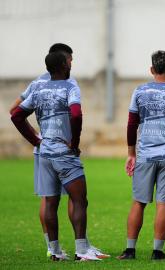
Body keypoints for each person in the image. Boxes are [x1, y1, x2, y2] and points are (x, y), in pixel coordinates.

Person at [8, 43, 108, 259]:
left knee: (50, 202)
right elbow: (76, 114)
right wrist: (75, 143)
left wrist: (36, 140)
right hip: (64, 152)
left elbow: (16, 114)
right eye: (70, 60)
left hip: (44, 153)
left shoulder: (38, 87)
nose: (71, 63)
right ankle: (82, 250)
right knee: (80, 199)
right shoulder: (70, 86)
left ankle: (54, 251)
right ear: (63, 64)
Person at [118, 50, 165, 260]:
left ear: (152, 70)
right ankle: (157, 251)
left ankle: (130, 250)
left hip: (145, 155)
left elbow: (132, 124)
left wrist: (131, 154)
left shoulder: (139, 92)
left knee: (138, 202)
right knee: (163, 204)